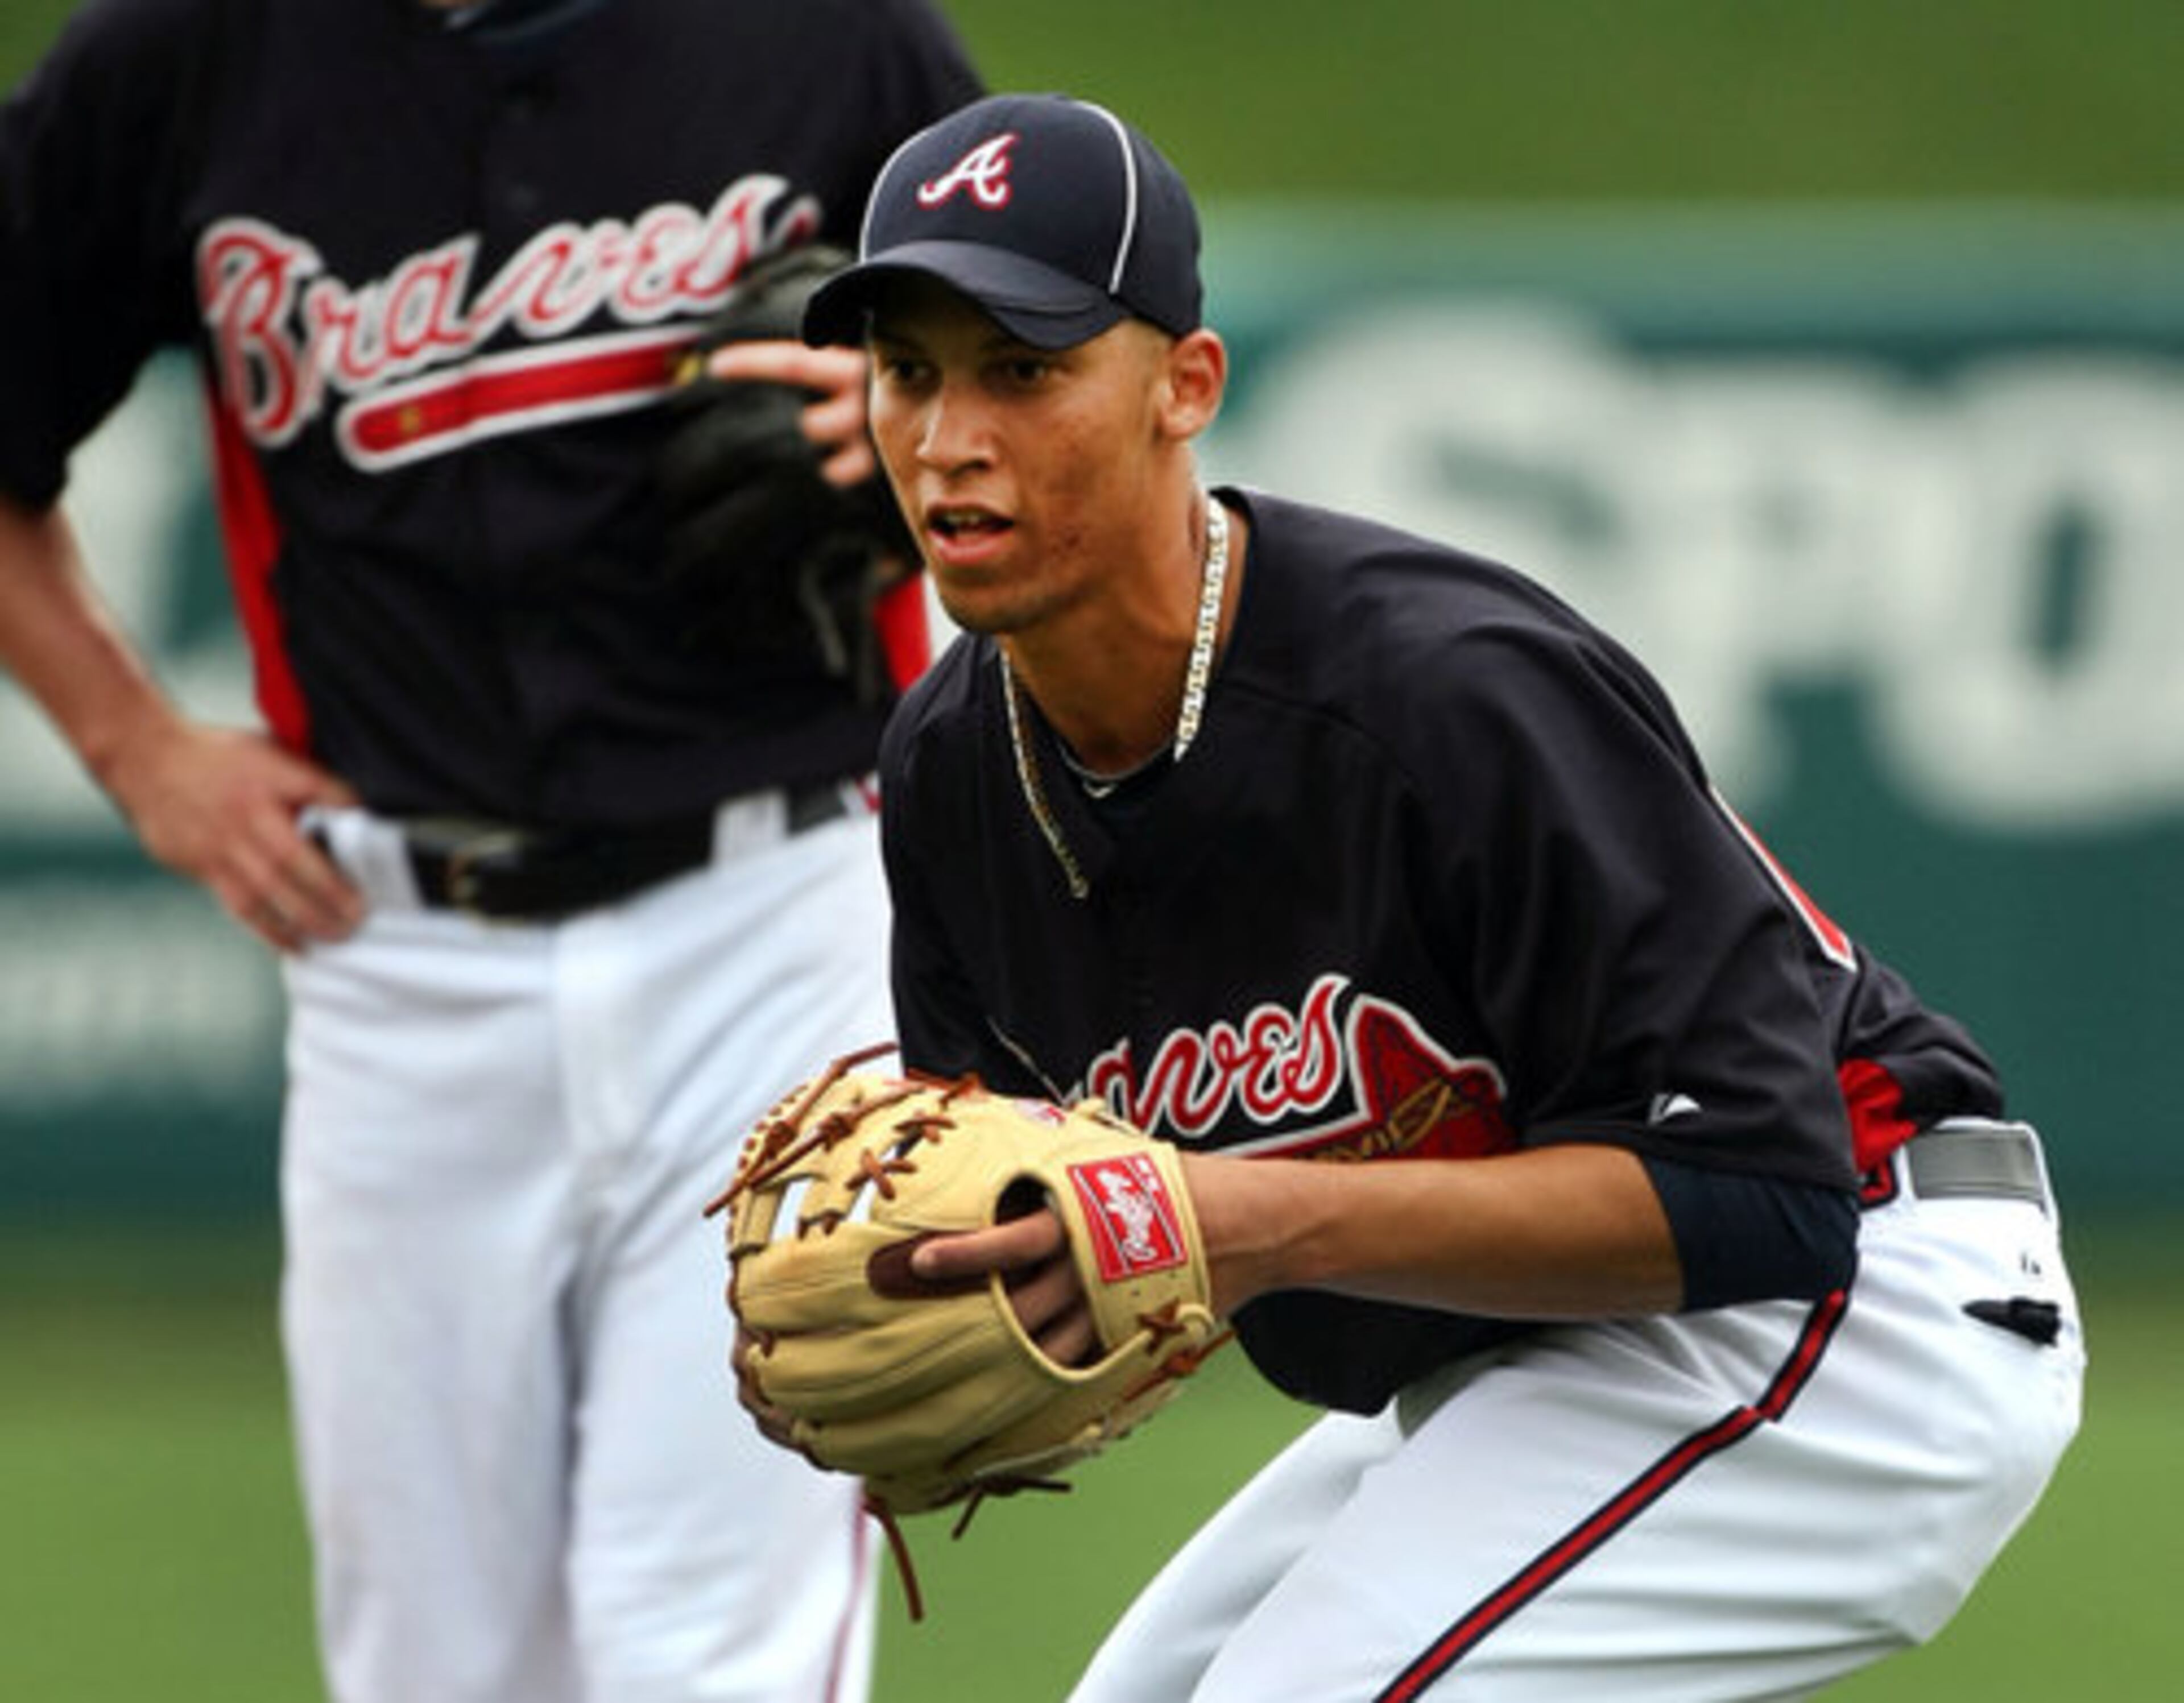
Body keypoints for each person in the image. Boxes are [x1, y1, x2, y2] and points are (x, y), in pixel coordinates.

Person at [799, 92, 2086, 1700]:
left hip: (1867, 1311)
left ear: (1185, 387)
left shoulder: (1444, 690)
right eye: (908, 372)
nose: (949, 436)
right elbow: (1045, 1212)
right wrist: (955, 1312)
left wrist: (1238, 1223)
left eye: (1025, 368)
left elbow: (1767, 1194)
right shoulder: (952, 770)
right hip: (1527, 1349)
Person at [0, 3, 979, 1700]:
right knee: (437, 1668)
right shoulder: (183, 59)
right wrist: (136, 748)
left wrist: (930, 406)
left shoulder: (833, 38)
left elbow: (1085, 365)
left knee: (712, 1661)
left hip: (775, 924)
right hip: (401, 959)